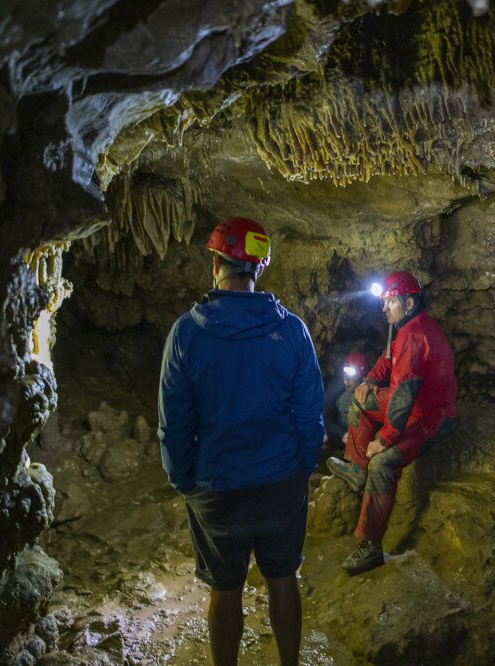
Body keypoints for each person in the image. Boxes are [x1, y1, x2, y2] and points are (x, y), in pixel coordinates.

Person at [158, 217, 324, 666]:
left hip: (217, 488)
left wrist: (183, 480)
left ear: (216, 263)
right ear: (260, 267)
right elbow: (310, 413)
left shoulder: (186, 334)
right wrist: (301, 468)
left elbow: (175, 421)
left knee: (225, 587)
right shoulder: (291, 331)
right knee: (283, 578)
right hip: (279, 484)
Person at [326, 271, 457, 575]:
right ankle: (356, 470)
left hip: (431, 417)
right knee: (360, 398)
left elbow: (402, 398)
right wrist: (370, 380)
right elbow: (388, 358)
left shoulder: (416, 336)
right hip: (412, 406)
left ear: (409, 302)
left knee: (383, 463)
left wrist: (383, 440)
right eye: (383, 303)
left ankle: (371, 546)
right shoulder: (405, 328)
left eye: (391, 303)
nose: (384, 309)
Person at [323, 353, 369, 448]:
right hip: (341, 434)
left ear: (362, 378)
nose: (347, 382)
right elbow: (325, 416)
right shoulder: (336, 389)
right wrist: (343, 433)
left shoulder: (372, 390)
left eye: (352, 379)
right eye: (345, 377)